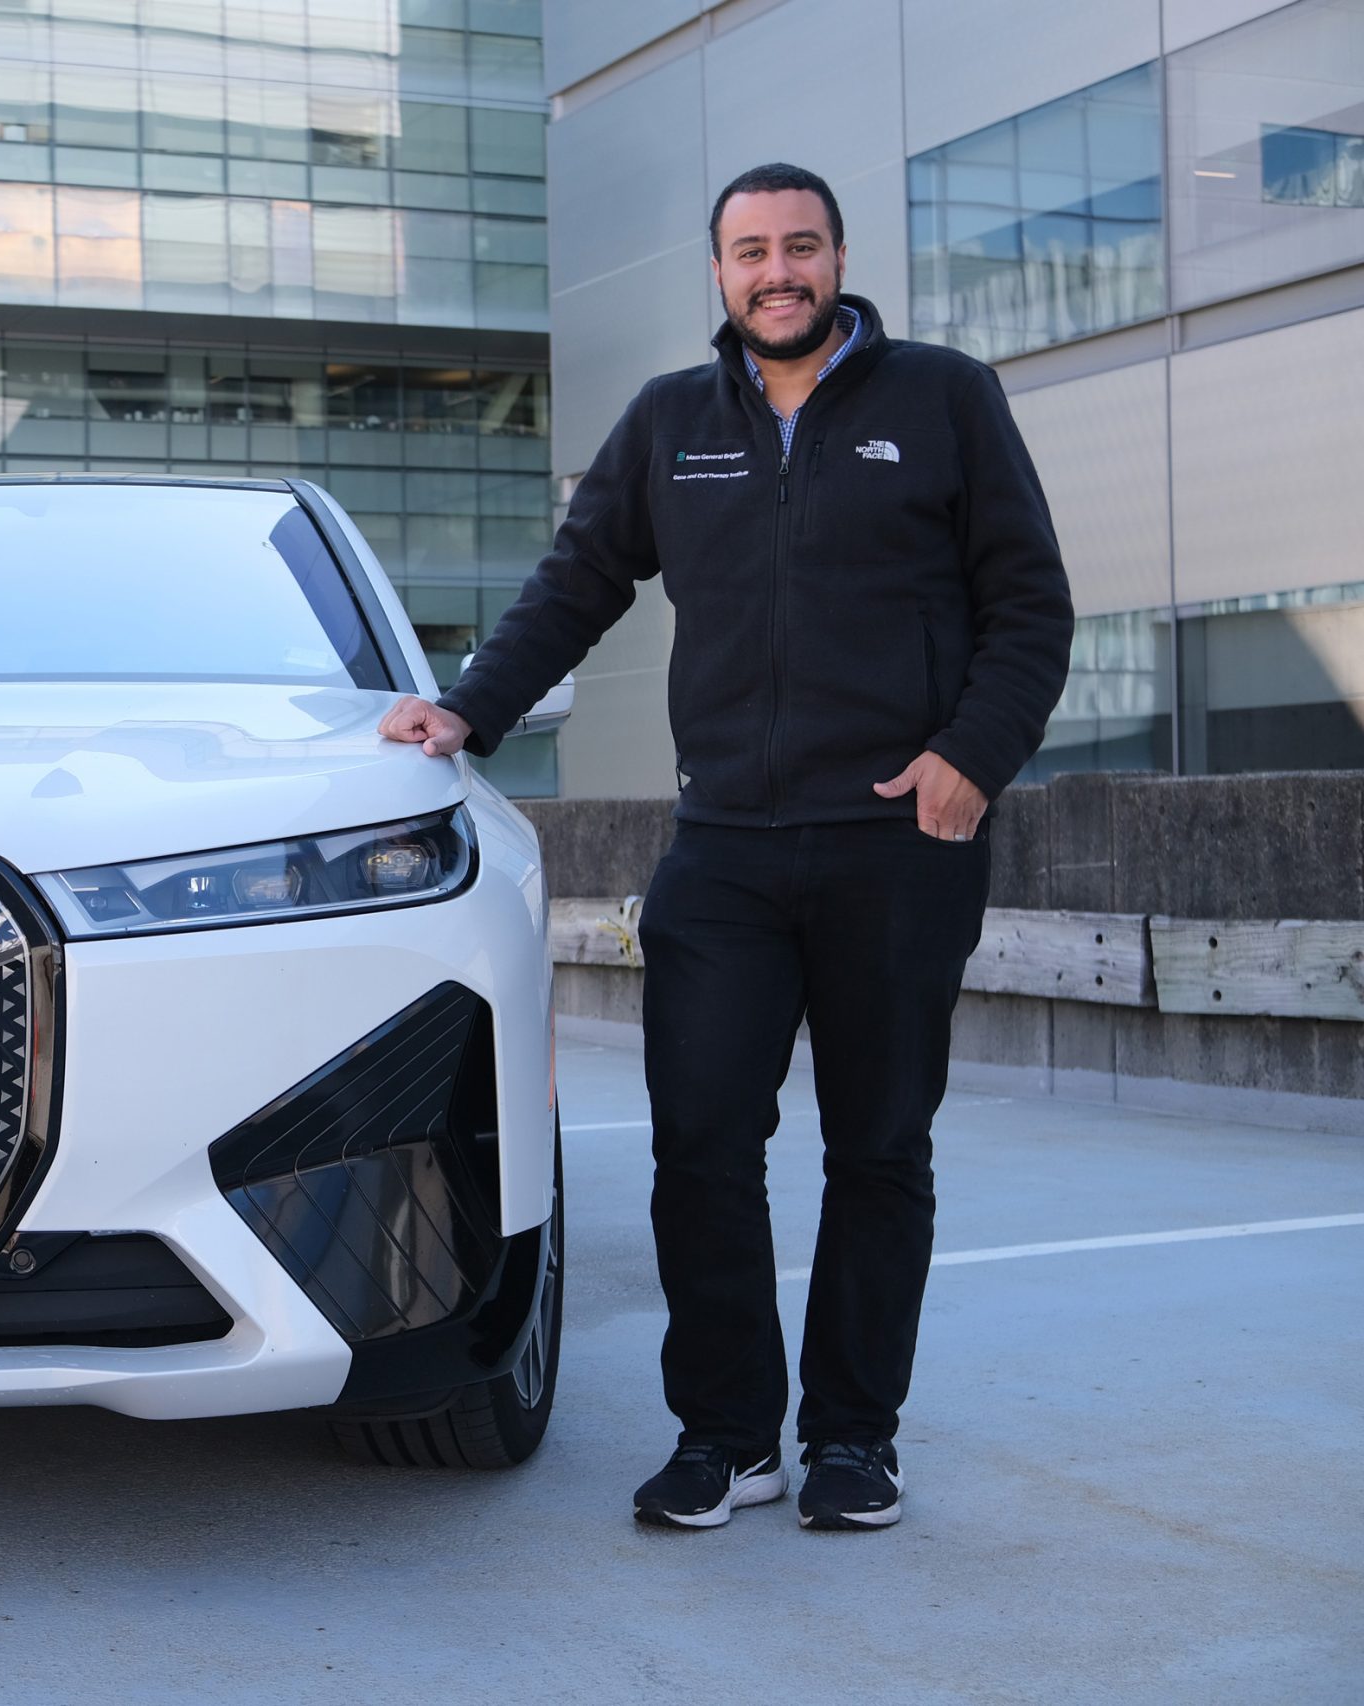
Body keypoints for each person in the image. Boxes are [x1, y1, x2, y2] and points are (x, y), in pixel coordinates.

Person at [380, 162, 1073, 1531]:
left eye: (801, 247)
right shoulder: (670, 423)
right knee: (701, 1144)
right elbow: (577, 584)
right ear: (719, 273)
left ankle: (854, 1439)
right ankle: (729, 1433)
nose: (779, 272)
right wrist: (468, 708)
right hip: (727, 849)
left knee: (879, 1149)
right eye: (752, 251)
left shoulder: (944, 400)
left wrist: (969, 760)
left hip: (897, 846)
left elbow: (1030, 606)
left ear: (839, 258)